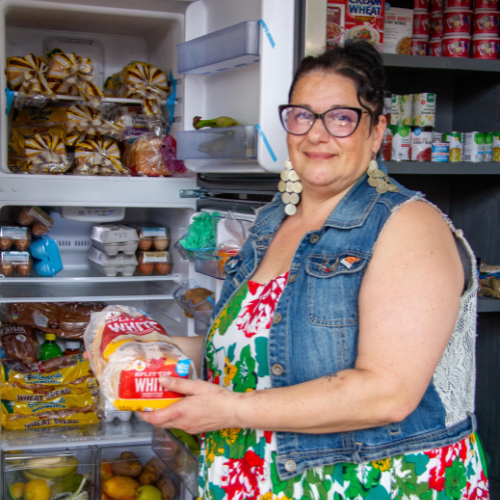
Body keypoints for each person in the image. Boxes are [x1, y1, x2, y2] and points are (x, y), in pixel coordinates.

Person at [140, 42, 488, 500]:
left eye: (341, 117)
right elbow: (254, 350)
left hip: (364, 484)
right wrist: (147, 348)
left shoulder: (407, 226)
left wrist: (230, 410)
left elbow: (389, 393)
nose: (316, 135)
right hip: (257, 476)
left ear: (377, 130)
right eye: (302, 115)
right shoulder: (272, 222)